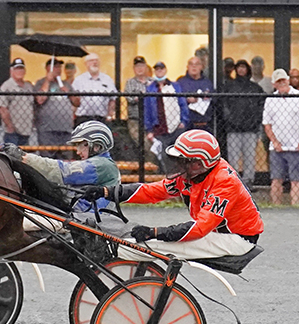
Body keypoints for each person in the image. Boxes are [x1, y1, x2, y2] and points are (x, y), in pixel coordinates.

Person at [81, 130, 264, 260]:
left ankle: (108, 253)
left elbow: (199, 228)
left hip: (236, 239)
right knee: (155, 242)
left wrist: (155, 232)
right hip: (216, 233)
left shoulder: (225, 181)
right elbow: (153, 191)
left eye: (183, 160)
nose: (178, 164)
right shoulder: (192, 174)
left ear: (199, 163)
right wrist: (107, 192)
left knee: (157, 244)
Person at [1, 120, 120, 212]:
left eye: (81, 145)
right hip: (79, 215)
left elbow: (62, 171)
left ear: (97, 146)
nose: (78, 152)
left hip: (87, 218)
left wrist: (24, 157)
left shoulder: (103, 166)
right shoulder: (101, 164)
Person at [263, 68, 299, 205]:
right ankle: (276, 206)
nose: (282, 83)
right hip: (277, 148)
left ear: (288, 80)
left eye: (283, 80)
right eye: (278, 82)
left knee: (296, 180)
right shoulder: (270, 99)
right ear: (274, 84)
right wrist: (275, 142)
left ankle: (295, 206)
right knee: (276, 179)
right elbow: (267, 124)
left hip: (296, 146)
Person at [217, 59, 265, 187]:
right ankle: (233, 182)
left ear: (248, 69)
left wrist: (254, 122)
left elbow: (260, 108)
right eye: (239, 67)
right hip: (233, 129)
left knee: (249, 158)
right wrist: (231, 121)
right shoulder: (228, 87)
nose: (241, 70)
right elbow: (223, 106)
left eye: (244, 67)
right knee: (233, 158)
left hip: (251, 129)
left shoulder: (256, 88)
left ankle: (248, 182)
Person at [143, 61, 189, 172]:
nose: (159, 72)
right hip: (159, 127)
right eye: (157, 69)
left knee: (178, 153)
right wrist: (149, 129)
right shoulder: (150, 89)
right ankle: (167, 177)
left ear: (165, 70)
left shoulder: (175, 86)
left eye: (161, 69)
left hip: (176, 126)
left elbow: (182, 103)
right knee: (163, 155)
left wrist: (184, 121)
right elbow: (147, 109)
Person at [34, 58, 76, 153]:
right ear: (48, 68)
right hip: (47, 130)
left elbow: (77, 102)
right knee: (47, 160)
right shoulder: (40, 83)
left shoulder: (66, 84)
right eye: (55, 67)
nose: (58, 69)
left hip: (65, 130)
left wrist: (69, 92)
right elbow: (40, 100)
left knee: (65, 160)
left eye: (59, 67)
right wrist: (48, 81)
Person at [0, 58, 36, 145]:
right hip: (13, 132)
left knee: (25, 156)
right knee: (13, 156)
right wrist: (9, 126)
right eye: (17, 69)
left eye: (21, 69)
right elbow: (2, 108)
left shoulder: (28, 86)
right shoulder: (6, 86)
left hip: (26, 130)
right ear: (11, 71)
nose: (19, 71)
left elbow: (32, 105)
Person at [71, 53, 116, 124]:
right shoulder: (79, 80)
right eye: (91, 61)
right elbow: (73, 100)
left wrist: (110, 115)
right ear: (86, 64)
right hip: (83, 118)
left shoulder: (107, 80)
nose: (95, 63)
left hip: (102, 119)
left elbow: (112, 99)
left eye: (96, 60)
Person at [177, 56, 215, 131]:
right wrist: (186, 100)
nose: (194, 66)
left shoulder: (207, 82)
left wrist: (208, 97)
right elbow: (174, 100)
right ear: (187, 67)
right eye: (191, 64)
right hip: (186, 124)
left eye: (197, 64)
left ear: (201, 67)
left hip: (204, 124)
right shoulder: (180, 82)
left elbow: (215, 99)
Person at [123, 56, 154, 146]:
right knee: (143, 143)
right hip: (135, 119)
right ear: (134, 69)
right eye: (137, 66)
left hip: (151, 119)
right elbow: (130, 98)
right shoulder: (130, 82)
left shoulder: (152, 81)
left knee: (155, 142)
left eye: (141, 66)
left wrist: (140, 97)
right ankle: (151, 160)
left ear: (146, 67)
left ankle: (152, 160)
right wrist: (143, 96)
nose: (139, 69)